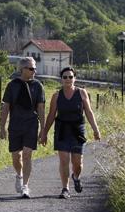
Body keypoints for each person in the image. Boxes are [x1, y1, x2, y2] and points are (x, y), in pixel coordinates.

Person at [40, 67, 101, 199]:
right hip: (62, 129)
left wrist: (96, 130)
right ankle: (65, 188)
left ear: (75, 78)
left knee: (77, 163)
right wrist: (44, 133)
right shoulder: (57, 96)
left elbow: (89, 113)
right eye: (65, 77)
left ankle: (76, 177)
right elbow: (51, 115)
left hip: (77, 129)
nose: (68, 79)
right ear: (61, 79)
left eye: (70, 77)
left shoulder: (82, 93)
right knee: (64, 160)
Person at [0, 57, 46, 199]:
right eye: (31, 68)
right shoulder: (12, 85)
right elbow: (6, 107)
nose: (34, 71)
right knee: (16, 156)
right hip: (15, 125)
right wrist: (2, 127)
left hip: (31, 124)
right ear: (22, 69)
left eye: (35, 68)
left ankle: (25, 186)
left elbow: (41, 108)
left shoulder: (38, 86)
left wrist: (43, 130)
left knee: (27, 154)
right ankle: (19, 175)